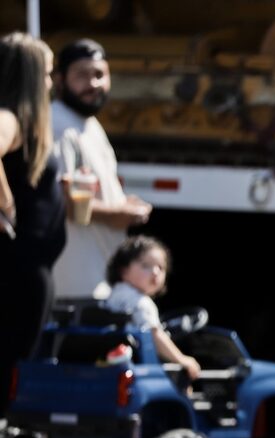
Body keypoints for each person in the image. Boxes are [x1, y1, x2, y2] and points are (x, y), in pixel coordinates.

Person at [51, 38, 152, 302]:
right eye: (82, 75)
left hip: (100, 280)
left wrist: (122, 204)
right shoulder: (59, 125)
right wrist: (117, 213)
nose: (93, 84)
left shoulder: (89, 123)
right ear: (59, 80)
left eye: (99, 75)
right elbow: (62, 202)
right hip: (76, 286)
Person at [0, 33, 66, 417]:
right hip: (15, 272)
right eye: (46, 72)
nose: (50, 82)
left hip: (27, 272)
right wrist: (5, 201)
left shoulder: (28, 125)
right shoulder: (11, 117)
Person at [105, 236, 200, 381]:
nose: (155, 272)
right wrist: (183, 360)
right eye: (146, 266)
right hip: (138, 372)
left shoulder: (114, 295)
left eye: (161, 268)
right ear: (123, 270)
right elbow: (155, 335)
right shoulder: (141, 302)